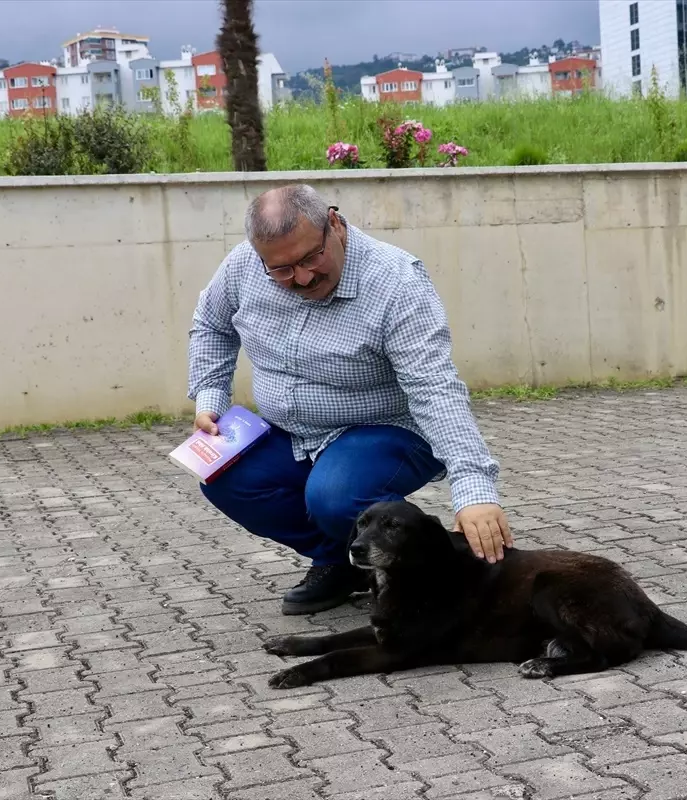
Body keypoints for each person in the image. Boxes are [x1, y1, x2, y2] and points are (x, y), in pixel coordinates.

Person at [187, 183, 512, 615]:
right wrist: (210, 395)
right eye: (281, 270)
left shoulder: (395, 282)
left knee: (333, 497)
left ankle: (431, 566)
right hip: (294, 431)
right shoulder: (243, 266)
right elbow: (211, 325)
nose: (301, 278)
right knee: (219, 472)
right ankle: (343, 562)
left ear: (335, 225)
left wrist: (474, 491)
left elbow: (435, 388)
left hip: (386, 429)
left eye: (310, 258)